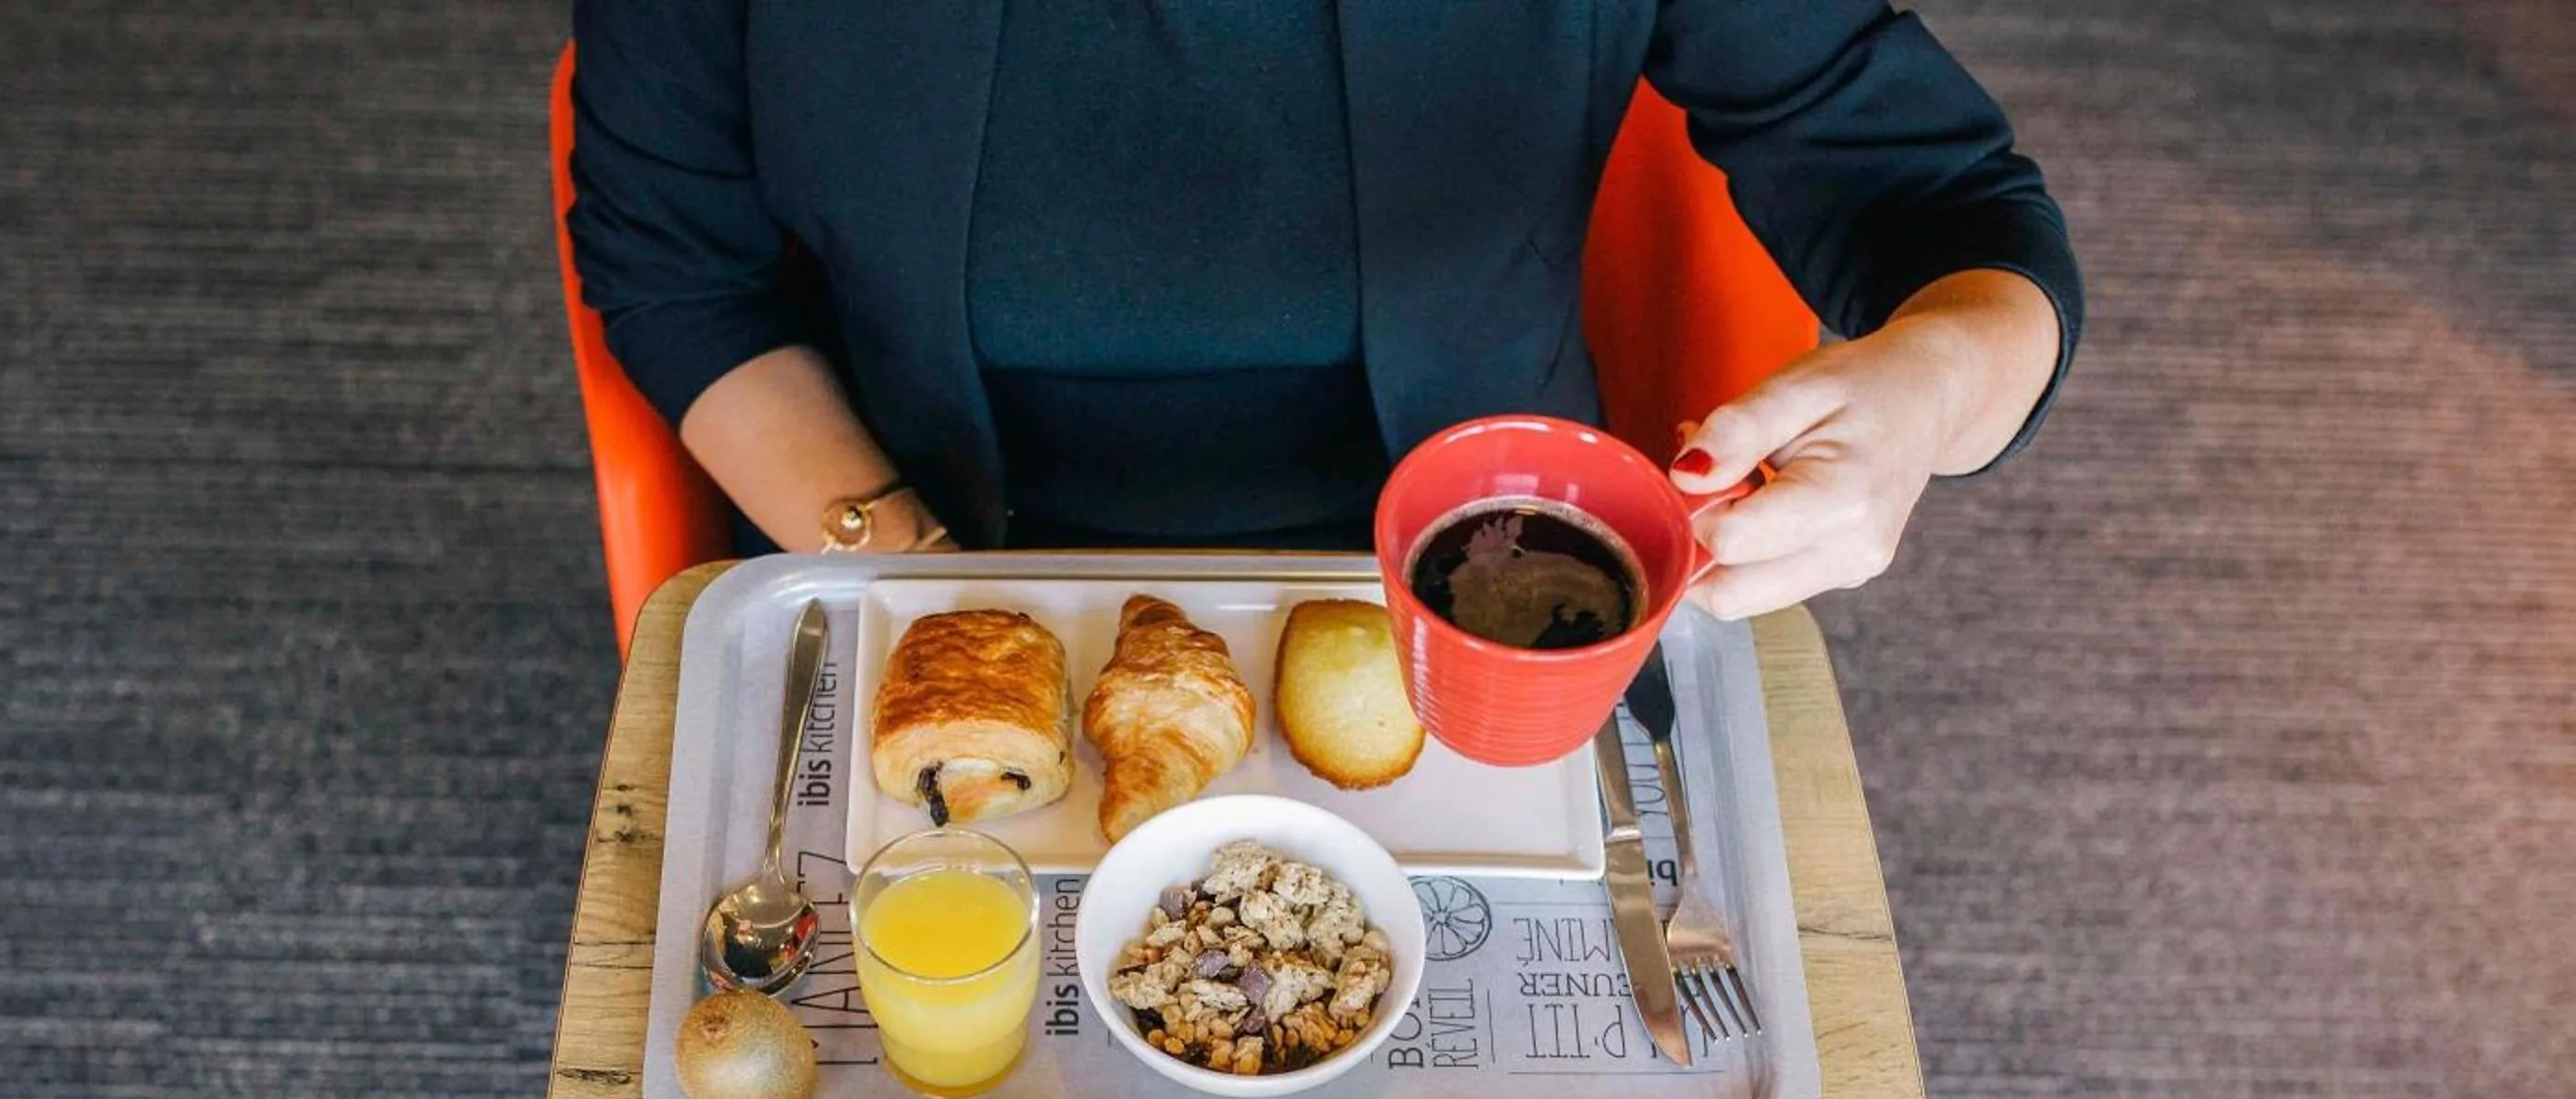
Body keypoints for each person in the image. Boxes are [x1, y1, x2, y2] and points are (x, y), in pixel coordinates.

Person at [566, 0, 2080, 621]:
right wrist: (941, 605)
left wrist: (1924, 400)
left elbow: (1952, 216)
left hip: (1484, 611)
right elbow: (679, 267)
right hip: (931, 553)